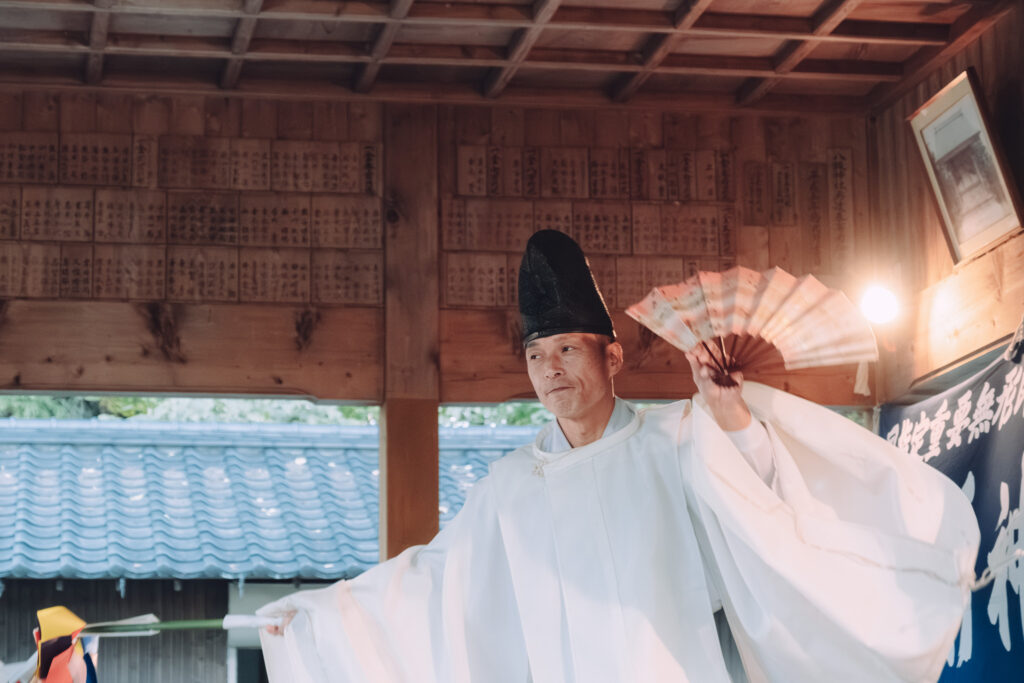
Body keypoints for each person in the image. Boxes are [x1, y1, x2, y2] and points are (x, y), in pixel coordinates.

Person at [259, 230, 979, 682]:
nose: (550, 369)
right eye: (537, 354)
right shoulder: (512, 487)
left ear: (612, 356)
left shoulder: (675, 442)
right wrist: (320, 616)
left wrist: (729, 415)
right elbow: (434, 582)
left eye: (567, 348)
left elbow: (761, 515)